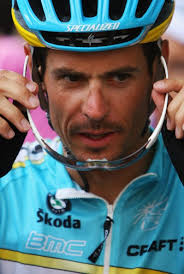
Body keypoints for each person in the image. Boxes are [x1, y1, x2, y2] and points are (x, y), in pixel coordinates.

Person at [0, 0, 184, 273]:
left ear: (159, 67)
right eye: (71, 79)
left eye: (120, 77)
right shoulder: (7, 189)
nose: (95, 110)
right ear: (36, 73)